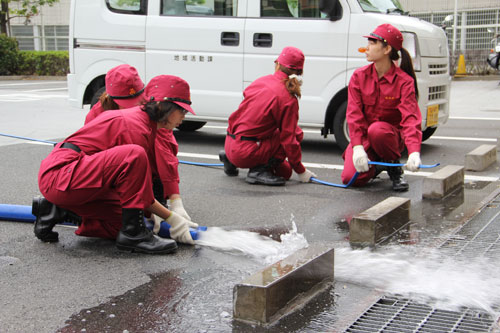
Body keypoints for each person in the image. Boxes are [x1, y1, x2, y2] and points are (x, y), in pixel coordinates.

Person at [34, 75, 198, 254]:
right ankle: (133, 236)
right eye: (182, 110)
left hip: (72, 178)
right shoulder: (135, 126)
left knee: (125, 222)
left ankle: (56, 209)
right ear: (162, 106)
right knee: (135, 156)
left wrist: (159, 213)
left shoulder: (146, 124)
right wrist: (171, 217)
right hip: (61, 175)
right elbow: (139, 188)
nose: (184, 116)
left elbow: (134, 187)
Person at [83, 64, 192, 239]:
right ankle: (58, 207)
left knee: (138, 213)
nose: (134, 107)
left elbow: (165, 153)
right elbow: (92, 160)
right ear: (112, 97)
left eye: (138, 100)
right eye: (126, 103)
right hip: (109, 174)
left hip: (142, 173)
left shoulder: (153, 110)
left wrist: (174, 199)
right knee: (114, 222)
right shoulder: (97, 114)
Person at [341, 24, 422, 192]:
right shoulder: (359, 76)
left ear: (387, 49)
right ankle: (378, 165)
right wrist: (357, 147)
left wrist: (414, 151)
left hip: (388, 136)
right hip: (365, 137)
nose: (367, 47)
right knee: (350, 179)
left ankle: (393, 167)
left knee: (377, 130)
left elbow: (410, 118)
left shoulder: (404, 82)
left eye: (372, 43)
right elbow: (353, 114)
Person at [219, 46, 316, 186]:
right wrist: (301, 171)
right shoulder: (288, 98)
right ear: (300, 72)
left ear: (277, 64)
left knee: (285, 170)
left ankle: (229, 158)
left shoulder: (261, 81)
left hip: (230, 144)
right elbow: (289, 139)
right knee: (295, 136)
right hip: (246, 152)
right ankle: (258, 171)